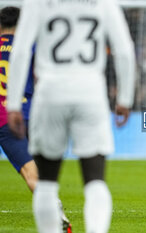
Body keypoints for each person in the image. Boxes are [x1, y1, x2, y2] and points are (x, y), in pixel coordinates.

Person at [6, 0, 135, 232]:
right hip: (90, 91)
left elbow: (21, 50)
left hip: (50, 91)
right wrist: (125, 98)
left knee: (46, 181)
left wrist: (13, 103)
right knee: (95, 180)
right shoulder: (103, 3)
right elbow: (124, 50)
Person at [0, 6, 72, 233]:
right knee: (34, 172)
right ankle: (53, 208)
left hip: (4, 116)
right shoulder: (29, 46)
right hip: (28, 114)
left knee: (32, 172)